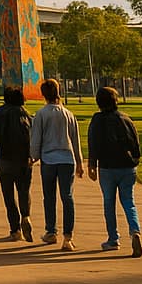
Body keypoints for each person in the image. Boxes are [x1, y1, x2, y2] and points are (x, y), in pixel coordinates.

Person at [87, 86, 142, 257]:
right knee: (128, 201)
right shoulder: (125, 119)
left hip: (107, 167)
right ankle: (135, 231)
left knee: (109, 203)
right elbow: (136, 144)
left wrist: (92, 164)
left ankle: (113, 239)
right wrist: (135, 160)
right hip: (127, 166)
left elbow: (93, 143)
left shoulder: (97, 120)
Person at [30, 77, 83, 251]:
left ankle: (51, 231)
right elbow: (75, 140)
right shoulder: (68, 114)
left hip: (49, 159)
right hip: (67, 159)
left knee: (49, 196)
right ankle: (68, 237)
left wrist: (33, 156)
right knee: (67, 197)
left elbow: (36, 138)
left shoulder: (41, 114)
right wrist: (79, 162)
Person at [0, 86, 35, 242]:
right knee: (24, 191)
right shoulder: (27, 115)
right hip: (23, 160)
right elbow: (33, 138)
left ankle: (15, 229)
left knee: (8, 195)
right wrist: (32, 156)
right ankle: (26, 215)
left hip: (5, 160)